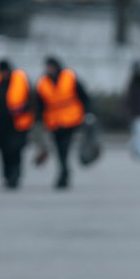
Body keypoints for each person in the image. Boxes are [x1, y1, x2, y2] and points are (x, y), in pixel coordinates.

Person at [35, 56, 91, 190]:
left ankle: (63, 172)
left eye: (52, 66)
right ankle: (64, 170)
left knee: (64, 146)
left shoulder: (69, 77)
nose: (50, 69)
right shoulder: (43, 82)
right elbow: (39, 103)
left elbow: (83, 96)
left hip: (71, 119)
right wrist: (39, 120)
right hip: (53, 121)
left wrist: (88, 113)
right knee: (59, 148)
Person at [0, 59, 34, 189]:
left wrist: (22, 109)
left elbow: (32, 100)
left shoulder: (21, 79)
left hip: (18, 123)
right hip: (1, 123)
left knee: (16, 149)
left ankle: (15, 175)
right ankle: (7, 175)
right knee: (3, 151)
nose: (3, 74)